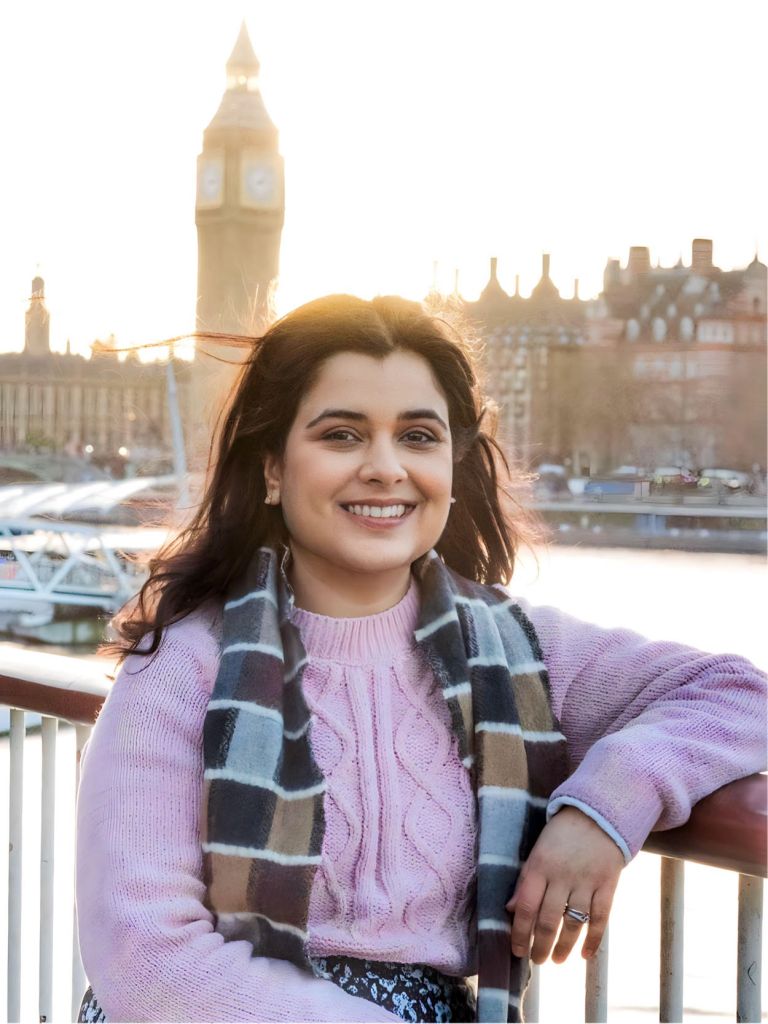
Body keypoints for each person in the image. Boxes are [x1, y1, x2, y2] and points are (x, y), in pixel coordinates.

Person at [75, 294, 766, 1024]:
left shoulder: (515, 651)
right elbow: (146, 961)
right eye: (342, 435)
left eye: (417, 436)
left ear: (451, 464)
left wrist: (601, 810)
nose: (385, 468)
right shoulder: (182, 666)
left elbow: (738, 693)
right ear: (272, 469)